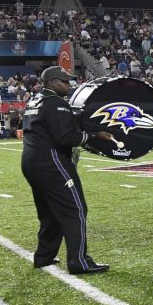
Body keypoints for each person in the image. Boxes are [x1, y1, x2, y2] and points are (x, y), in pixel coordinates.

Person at [20, 66, 112, 274]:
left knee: (50, 212)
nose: (69, 85)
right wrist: (94, 136)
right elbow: (65, 138)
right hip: (52, 161)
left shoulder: (35, 100)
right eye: (64, 81)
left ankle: (44, 256)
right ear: (52, 82)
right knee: (75, 209)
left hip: (31, 160)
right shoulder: (56, 103)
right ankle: (79, 261)